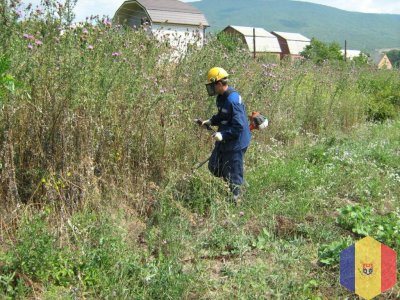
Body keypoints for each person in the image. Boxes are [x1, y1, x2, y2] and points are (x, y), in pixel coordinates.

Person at [202, 67, 251, 202]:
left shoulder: (233, 101)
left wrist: (223, 135)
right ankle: (240, 182)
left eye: (212, 85)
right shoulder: (221, 98)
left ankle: (237, 201)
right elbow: (223, 115)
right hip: (226, 139)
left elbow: (239, 127)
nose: (211, 88)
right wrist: (212, 120)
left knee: (232, 174)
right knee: (214, 166)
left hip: (236, 142)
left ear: (218, 84)